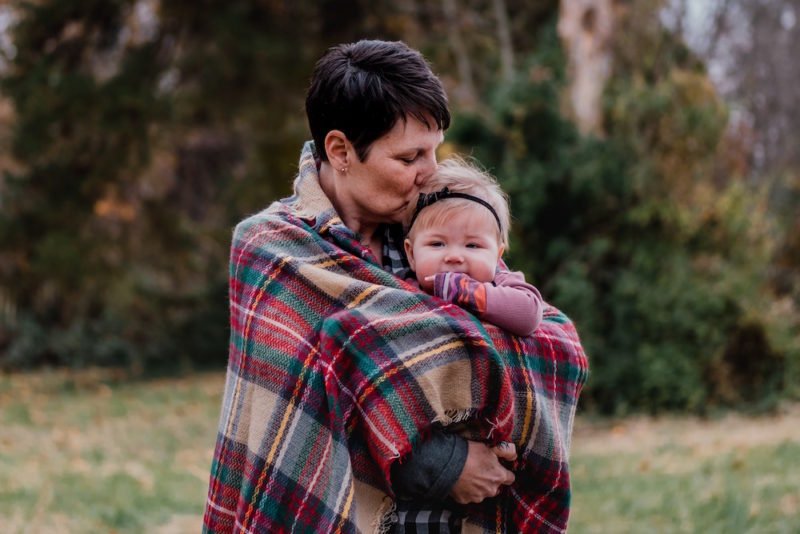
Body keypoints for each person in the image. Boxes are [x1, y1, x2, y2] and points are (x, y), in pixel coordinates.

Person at [203, 39, 588, 534]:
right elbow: (302, 412)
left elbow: (540, 333)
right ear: (340, 151)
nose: (430, 172)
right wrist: (445, 465)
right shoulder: (272, 250)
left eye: (434, 151)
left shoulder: (434, 234)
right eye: (409, 158)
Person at [403, 157, 544, 337]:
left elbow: (529, 315)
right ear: (411, 255)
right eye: (437, 244)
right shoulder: (404, 290)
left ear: (497, 256)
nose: (454, 256)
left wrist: (463, 291)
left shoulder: (502, 283)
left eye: (472, 245)